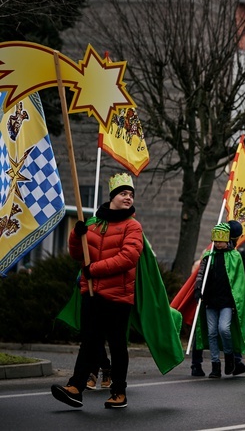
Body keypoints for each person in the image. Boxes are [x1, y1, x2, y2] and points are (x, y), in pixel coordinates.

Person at [51, 173, 143, 409]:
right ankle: (75, 388)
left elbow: (128, 257)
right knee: (89, 342)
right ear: (112, 197)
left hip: (118, 296)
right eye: (123, 194)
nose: (128, 198)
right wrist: (76, 235)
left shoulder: (132, 226)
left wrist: (94, 270)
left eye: (131, 195)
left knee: (117, 344)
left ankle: (118, 392)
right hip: (92, 293)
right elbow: (77, 255)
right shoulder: (94, 224)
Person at [194, 223, 245, 378]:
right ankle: (215, 365)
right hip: (210, 302)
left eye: (221, 240)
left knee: (224, 329)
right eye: (216, 240)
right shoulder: (208, 257)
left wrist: (236, 302)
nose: (218, 243)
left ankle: (229, 357)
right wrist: (198, 288)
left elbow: (239, 282)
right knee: (212, 333)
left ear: (228, 240)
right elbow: (200, 274)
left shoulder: (235, 256)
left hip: (226, 302)